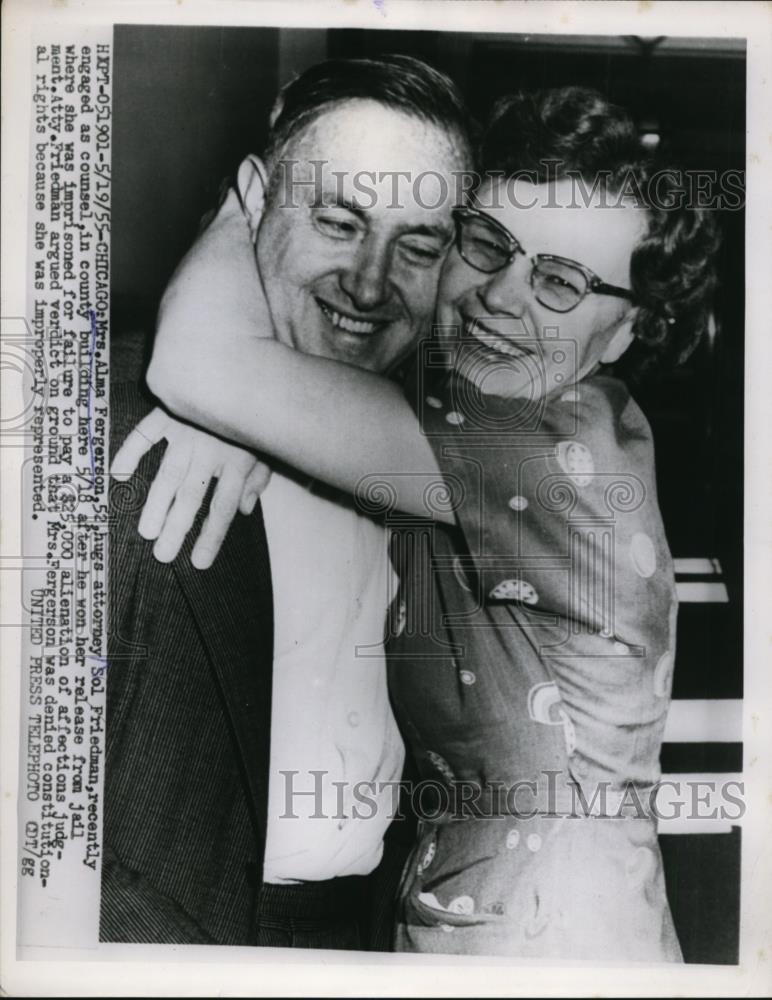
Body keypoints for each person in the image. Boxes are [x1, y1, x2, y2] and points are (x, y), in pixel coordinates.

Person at [122, 87, 719, 959]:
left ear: (629, 330)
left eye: (559, 282)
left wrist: (243, 210)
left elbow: (199, 364)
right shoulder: (462, 419)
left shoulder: (546, 452)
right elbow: (267, 379)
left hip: (557, 945)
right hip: (460, 925)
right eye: (489, 245)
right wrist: (246, 420)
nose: (499, 297)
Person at [103, 54, 473, 948]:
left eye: (419, 247)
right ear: (254, 200)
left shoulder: (442, 446)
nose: (370, 283)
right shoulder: (112, 422)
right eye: (338, 222)